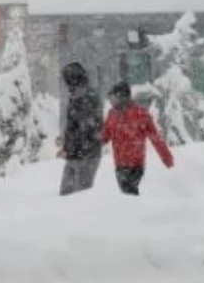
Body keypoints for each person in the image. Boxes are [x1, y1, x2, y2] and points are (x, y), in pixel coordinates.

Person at [100, 82, 174, 195]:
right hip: (119, 166)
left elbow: (156, 139)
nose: (111, 100)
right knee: (127, 196)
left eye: (113, 97)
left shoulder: (141, 114)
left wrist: (167, 159)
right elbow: (104, 136)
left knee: (129, 194)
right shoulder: (112, 114)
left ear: (123, 97)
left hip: (136, 166)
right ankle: (137, 210)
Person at [57, 62, 103, 196]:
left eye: (67, 80)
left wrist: (74, 140)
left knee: (80, 198)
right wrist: (65, 142)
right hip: (74, 155)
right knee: (65, 194)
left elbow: (90, 127)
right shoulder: (75, 96)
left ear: (73, 79)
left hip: (87, 155)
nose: (66, 85)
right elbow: (73, 124)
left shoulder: (88, 96)